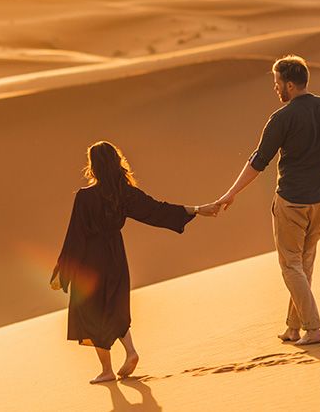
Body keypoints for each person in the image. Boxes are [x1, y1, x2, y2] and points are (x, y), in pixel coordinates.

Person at [214, 55, 320, 346]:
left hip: (292, 202)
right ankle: (293, 328)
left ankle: (313, 327)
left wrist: (231, 193)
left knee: (291, 266)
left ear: (290, 85)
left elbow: (259, 160)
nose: (275, 88)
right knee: (303, 265)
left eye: (277, 82)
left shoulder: (282, 118)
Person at [51, 141, 220, 384]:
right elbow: (156, 211)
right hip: (116, 255)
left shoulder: (85, 197)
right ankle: (130, 351)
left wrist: (63, 270)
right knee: (114, 306)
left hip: (91, 260)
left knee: (91, 313)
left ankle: (107, 370)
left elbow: (75, 236)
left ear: (93, 166)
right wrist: (196, 209)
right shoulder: (124, 193)